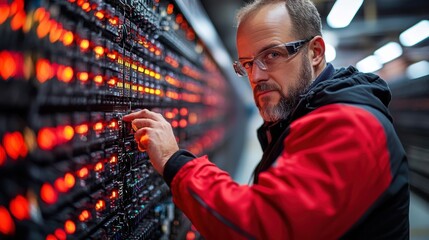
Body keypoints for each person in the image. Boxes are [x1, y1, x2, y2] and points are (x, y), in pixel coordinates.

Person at [123, 0, 410, 239]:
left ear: (315, 52)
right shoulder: (299, 118)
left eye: (271, 55)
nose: (256, 76)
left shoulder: (348, 124)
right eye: (247, 64)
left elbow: (264, 227)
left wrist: (175, 163)